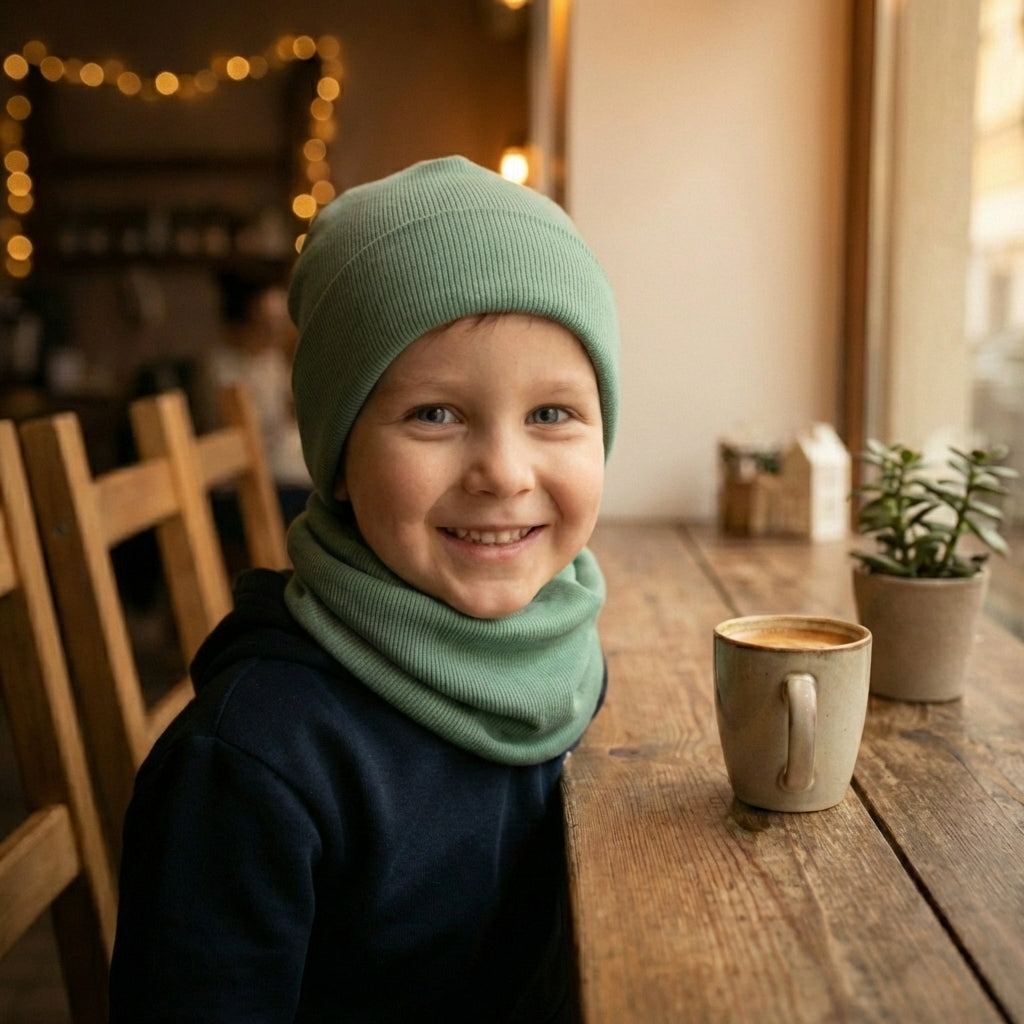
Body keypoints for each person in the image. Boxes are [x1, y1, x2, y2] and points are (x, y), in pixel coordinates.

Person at [108, 155, 620, 1023]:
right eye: (435, 414)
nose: (503, 472)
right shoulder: (252, 767)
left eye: (551, 414)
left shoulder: (560, 651)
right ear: (338, 458)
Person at [200, 266, 313, 524]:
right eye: (267, 326)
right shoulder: (221, 368)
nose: (276, 335)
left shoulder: (271, 359)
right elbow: (247, 439)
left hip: (284, 464)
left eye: (280, 325)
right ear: (242, 323)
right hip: (246, 479)